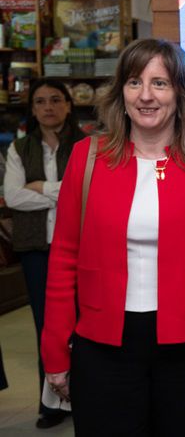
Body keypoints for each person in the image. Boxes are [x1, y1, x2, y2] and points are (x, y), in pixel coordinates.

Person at [41, 38, 185, 435]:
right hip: (102, 349)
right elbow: (63, 258)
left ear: (180, 93)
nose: (146, 96)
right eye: (134, 82)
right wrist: (55, 352)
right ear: (121, 93)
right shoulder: (87, 157)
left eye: (160, 83)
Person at [4, 79, 84, 428]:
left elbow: (90, 193)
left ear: (68, 104)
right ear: (32, 109)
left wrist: (42, 187)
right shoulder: (19, 148)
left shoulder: (88, 145)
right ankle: (51, 403)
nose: (48, 107)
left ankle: (86, 397)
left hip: (83, 248)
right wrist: (63, 192)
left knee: (83, 324)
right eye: (40, 101)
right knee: (46, 325)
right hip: (37, 249)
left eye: (55, 100)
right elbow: (13, 196)